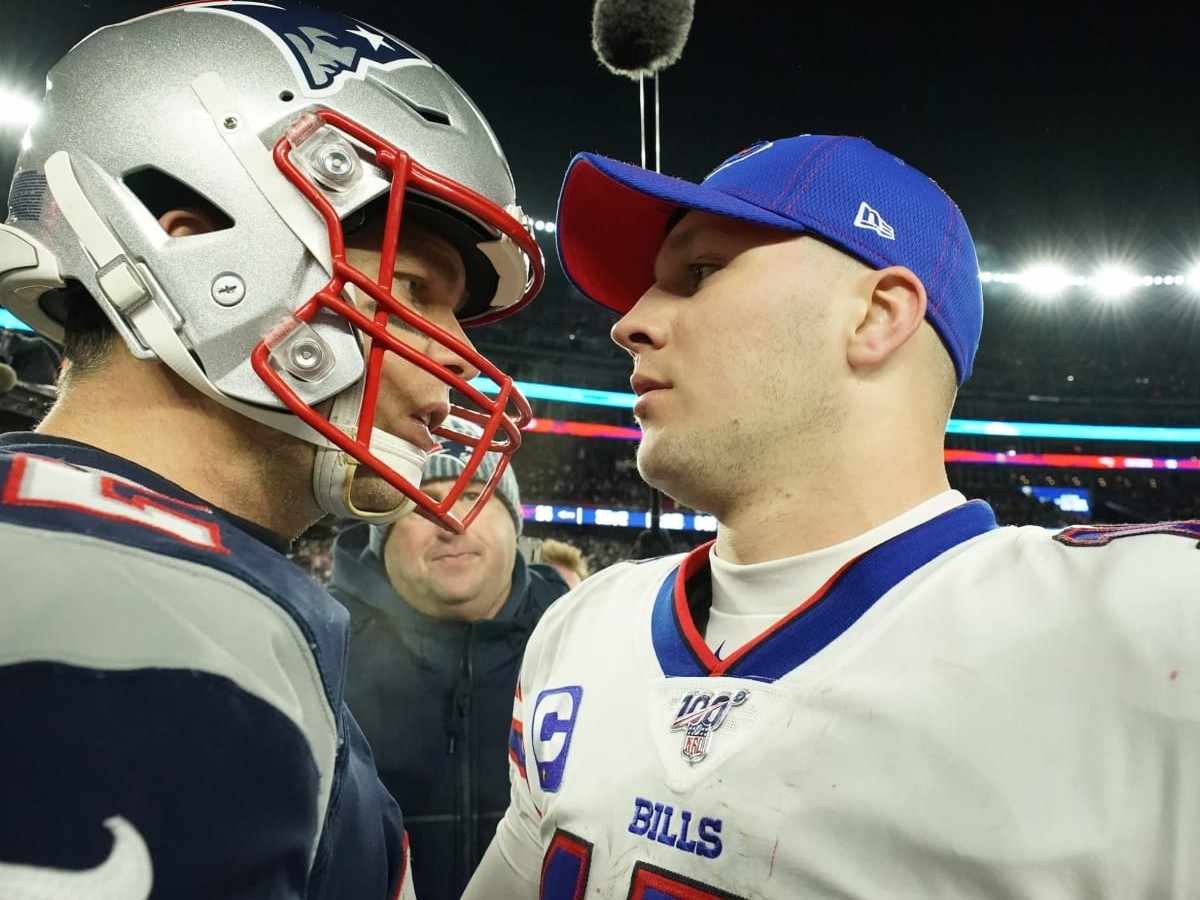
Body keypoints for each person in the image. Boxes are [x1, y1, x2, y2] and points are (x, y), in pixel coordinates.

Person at [465, 135, 1200, 899]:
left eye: (701, 271)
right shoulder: (581, 628)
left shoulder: (1149, 626)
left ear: (877, 317)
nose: (630, 321)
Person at [0, 4, 542, 898]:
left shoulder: (170, 575)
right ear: (192, 243)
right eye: (412, 287)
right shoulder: (112, 617)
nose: (455, 355)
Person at [328, 417, 570, 900]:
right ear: (384, 531)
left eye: (471, 497)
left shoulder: (583, 639)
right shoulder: (320, 648)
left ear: (514, 522)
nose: (449, 521)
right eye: (420, 501)